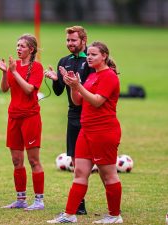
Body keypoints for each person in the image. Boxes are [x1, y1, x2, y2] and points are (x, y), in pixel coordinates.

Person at [47, 41, 123, 224]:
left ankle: (114, 215)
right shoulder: (91, 76)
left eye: (94, 54)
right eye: (88, 54)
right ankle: (69, 214)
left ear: (104, 56)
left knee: (108, 174)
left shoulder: (109, 76)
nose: (89, 57)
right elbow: (78, 101)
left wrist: (78, 86)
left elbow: (97, 101)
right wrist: (73, 86)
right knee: (80, 172)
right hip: (86, 130)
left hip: (104, 131)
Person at [45, 25, 93, 215]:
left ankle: (113, 207)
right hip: (73, 115)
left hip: (90, 115)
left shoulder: (90, 61)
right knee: (75, 158)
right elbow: (57, 92)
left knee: (100, 161)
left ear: (83, 40)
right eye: (68, 40)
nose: (70, 44)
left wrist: (75, 84)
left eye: (73, 40)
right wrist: (56, 79)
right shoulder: (64, 61)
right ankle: (80, 204)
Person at [0, 34, 45, 211]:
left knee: (33, 160)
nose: (18, 49)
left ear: (31, 50)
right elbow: (4, 89)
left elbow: (29, 89)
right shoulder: (12, 67)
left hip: (30, 117)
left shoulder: (37, 67)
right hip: (13, 117)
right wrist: (4, 72)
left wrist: (14, 71)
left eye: (22, 46)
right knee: (17, 160)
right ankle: (21, 199)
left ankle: (39, 200)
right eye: (17, 45)